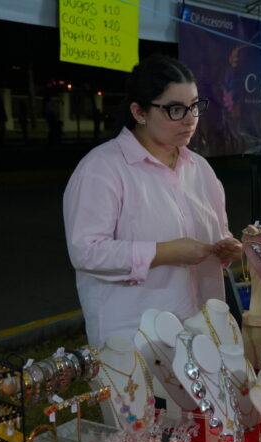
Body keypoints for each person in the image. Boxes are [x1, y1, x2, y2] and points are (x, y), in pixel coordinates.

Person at [63, 54, 242, 348]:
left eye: (194, 106)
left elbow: (218, 232)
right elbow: (86, 252)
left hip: (201, 330)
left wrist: (226, 246)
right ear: (139, 112)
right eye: (175, 109)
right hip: (135, 339)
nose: (190, 119)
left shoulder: (199, 168)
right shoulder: (102, 168)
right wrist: (166, 251)